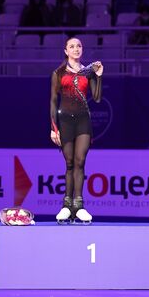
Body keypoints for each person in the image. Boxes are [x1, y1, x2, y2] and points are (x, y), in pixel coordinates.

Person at [50, 37, 103, 224]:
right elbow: (53, 101)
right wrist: (53, 128)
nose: (76, 49)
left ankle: (79, 206)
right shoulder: (58, 73)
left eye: (79, 46)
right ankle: (66, 206)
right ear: (65, 51)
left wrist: (98, 75)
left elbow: (96, 98)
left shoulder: (87, 72)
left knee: (80, 161)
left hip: (83, 121)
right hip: (64, 122)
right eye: (72, 46)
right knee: (70, 163)